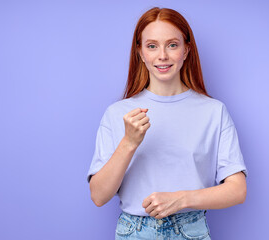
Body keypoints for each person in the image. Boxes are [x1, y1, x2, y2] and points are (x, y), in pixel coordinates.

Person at [87, 7, 248, 240]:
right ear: (140, 53)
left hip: (191, 231)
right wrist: (129, 142)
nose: (162, 55)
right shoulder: (117, 114)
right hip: (134, 233)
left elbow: (237, 190)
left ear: (186, 50)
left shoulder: (214, 111)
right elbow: (99, 196)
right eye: (152, 46)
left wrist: (182, 199)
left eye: (172, 45)